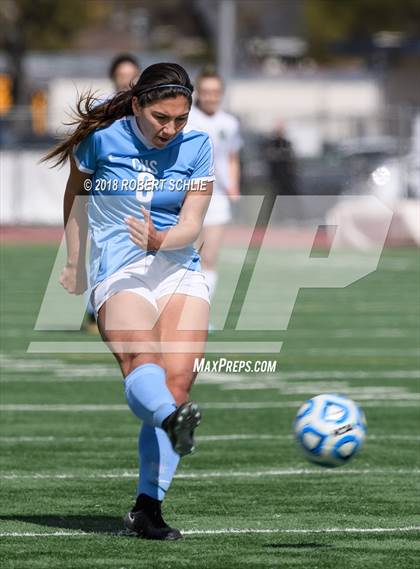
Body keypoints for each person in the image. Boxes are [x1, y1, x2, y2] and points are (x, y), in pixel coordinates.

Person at [43, 62, 214, 540]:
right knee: (144, 359)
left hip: (178, 265)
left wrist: (163, 239)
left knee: (177, 382)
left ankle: (147, 508)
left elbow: (194, 220)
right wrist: (75, 261)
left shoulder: (198, 146)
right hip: (118, 269)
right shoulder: (101, 140)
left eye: (180, 119)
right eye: (162, 117)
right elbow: (76, 195)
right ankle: (171, 420)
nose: (171, 129)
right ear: (137, 104)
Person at [83, 53, 142, 334]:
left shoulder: (144, 108)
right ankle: (95, 310)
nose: (126, 80)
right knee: (101, 249)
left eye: (132, 74)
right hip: (104, 191)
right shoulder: (101, 107)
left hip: (135, 191)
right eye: (122, 74)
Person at [187, 67, 242, 307]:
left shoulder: (229, 123)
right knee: (188, 256)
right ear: (198, 92)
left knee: (209, 257)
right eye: (206, 91)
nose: (210, 96)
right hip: (188, 195)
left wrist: (233, 185)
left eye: (215, 92)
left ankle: (200, 311)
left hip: (217, 197)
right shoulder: (186, 118)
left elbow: (231, 157)